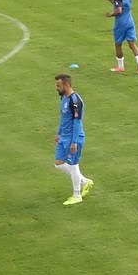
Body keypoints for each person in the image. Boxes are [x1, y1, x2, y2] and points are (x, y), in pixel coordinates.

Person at [53, 74, 95, 205]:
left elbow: (77, 122)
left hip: (73, 138)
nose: (57, 88)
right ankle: (84, 181)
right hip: (64, 137)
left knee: (73, 165)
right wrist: (59, 133)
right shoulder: (64, 98)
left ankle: (77, 195)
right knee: (58, 164)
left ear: (66, 85)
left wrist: (74, 142)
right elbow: (64, 118)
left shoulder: (75, 101)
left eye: (59, 85)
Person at [101, 0, 138, 74]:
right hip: (130, 22)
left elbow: (119, 10)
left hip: (121, 24)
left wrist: (110, 15)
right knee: (132, 44)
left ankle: (120, 67)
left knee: (118, 44)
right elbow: (120, 4)